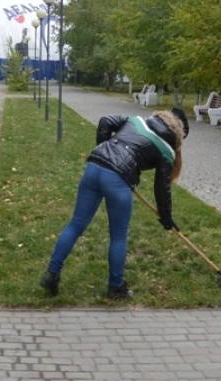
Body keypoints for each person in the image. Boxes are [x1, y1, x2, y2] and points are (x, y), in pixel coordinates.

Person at [40, 107, 190, 299]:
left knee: (76, 224)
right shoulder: (166, 149)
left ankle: (52, 273)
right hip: (117, 182)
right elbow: (162, 187)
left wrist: (105, 154)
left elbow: (105, 120)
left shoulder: (135, 120)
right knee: (118, 236)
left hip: (94, 167)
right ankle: (116, 286)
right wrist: (166, 216)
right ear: (177, 136)